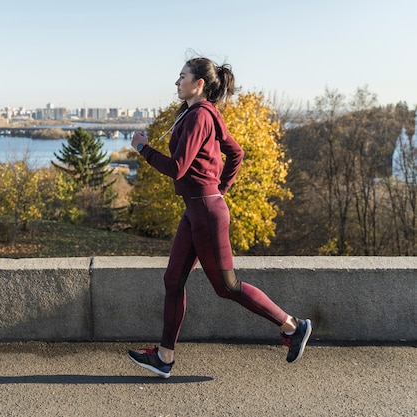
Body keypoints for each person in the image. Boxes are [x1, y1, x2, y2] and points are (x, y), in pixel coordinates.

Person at [127, 56, 312, 378]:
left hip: (206, 212)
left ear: (198, 83)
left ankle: (293, 326)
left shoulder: (200, 115)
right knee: (173, 280)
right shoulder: (199, 113)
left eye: (182, 76)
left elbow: (177, 168)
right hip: (198, 208)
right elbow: (235, 153)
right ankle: (164, 356)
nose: (176, 82)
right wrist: (218, 190)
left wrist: (143, 149)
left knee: (227, 286)